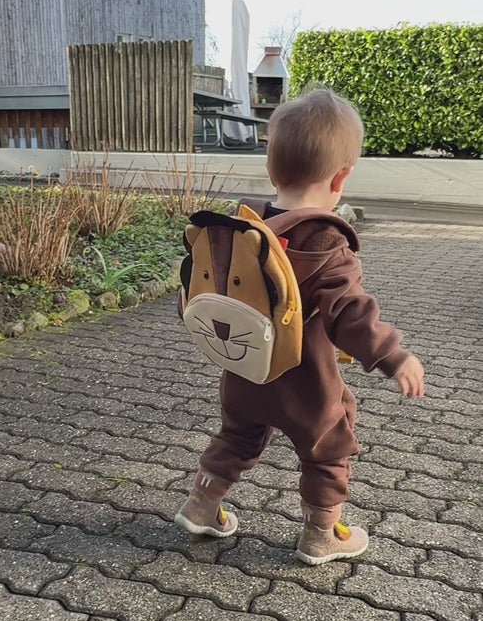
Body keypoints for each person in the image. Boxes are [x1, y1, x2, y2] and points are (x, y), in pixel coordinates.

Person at [175, 88, 425, 565]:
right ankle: (321, 534)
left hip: (245, 372)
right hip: (305, 382)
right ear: (342, 176)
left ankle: (202, 506)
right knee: (329, 444)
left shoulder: (240, 229)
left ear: (271, 169)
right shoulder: (328, 241)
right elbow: (350, 313)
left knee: (237, 437)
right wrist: (394, 355)